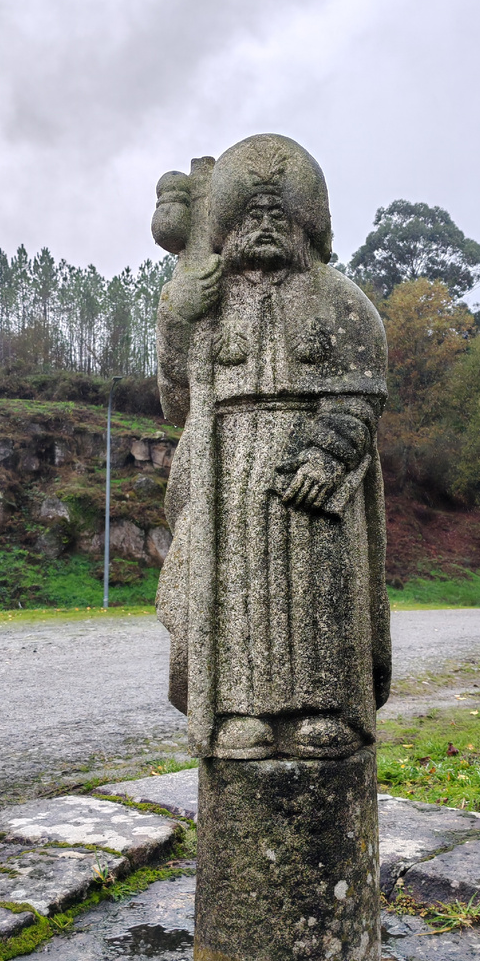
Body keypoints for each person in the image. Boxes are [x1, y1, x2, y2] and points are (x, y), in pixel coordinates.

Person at [154, 134, 390, 760]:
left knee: (319, 589)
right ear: (226, 225)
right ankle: (239, 711)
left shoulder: (340, 301)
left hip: (311, 477)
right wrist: (176, 320)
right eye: (249, 216)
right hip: (226, 470)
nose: (263, 228)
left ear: (309, 224)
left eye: (278, 215)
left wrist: (329, 455)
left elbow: (364, 392)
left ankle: (323, 708)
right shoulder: (209, 298)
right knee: (237, 596)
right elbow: (178, 401)